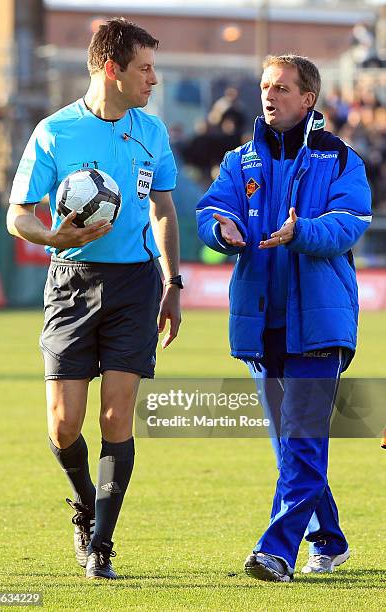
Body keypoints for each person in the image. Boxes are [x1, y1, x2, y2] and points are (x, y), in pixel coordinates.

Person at [7, 18, 182, 580]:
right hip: (71, 281)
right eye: (145, 69)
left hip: (136, 283)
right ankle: (86, 504)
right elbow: (18, 216)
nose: (154, 80)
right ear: (113, 69)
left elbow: (162, 209)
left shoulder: (152, 132)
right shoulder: (54, 132)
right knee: (64, 424)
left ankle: (101, 542)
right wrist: (52, 237)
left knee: (116, 415)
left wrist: (174, 284)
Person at [196, 54, 371, 582]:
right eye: (266, 86)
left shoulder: (342, 160)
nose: (270, 95)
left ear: (308, 98)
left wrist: (303, 232)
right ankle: (332, 541)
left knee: (300, 443)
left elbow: (348, 224)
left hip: (320, 324)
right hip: (261, 323)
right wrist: (219, 229)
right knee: (293, 449)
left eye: (283, 88)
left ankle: (275, 551)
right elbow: (210, 209)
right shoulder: (240, 160)